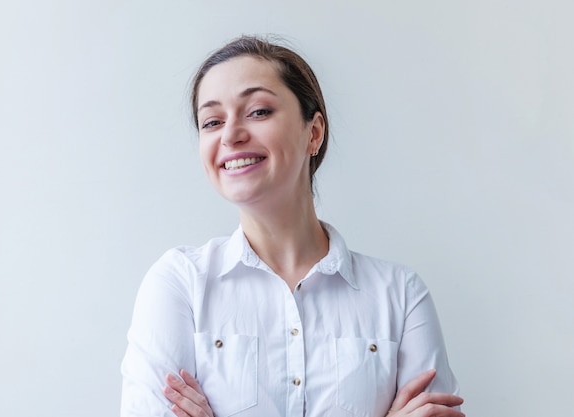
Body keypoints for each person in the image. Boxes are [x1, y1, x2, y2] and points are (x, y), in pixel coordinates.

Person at [120, 35, 463, 417]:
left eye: (258, 111)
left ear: (313, 132)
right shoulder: (179, 284)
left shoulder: (400, 296)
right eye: (212, 121)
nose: (231, 134)